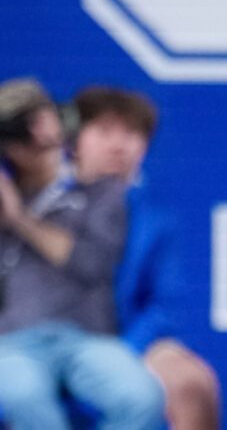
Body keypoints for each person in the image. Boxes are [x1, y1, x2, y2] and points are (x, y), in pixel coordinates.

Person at [0, 78, 164, 430]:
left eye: (38, 120)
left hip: (87, 339)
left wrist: (19, 219)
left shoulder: (101, 193)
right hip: (12, 342)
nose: (32, 136)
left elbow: (91, 263)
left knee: (142, 398)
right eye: (18, 128)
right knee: (25, 401)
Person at [71, 85, 222, 430]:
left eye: (132, 133)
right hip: (51, 343)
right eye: (105, 131)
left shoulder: (157, 220)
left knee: (191, 383)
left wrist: (122, 354)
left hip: (132, 343)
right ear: (73, 139)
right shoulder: (43, 210)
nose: (119, 144)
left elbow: (163, 307)